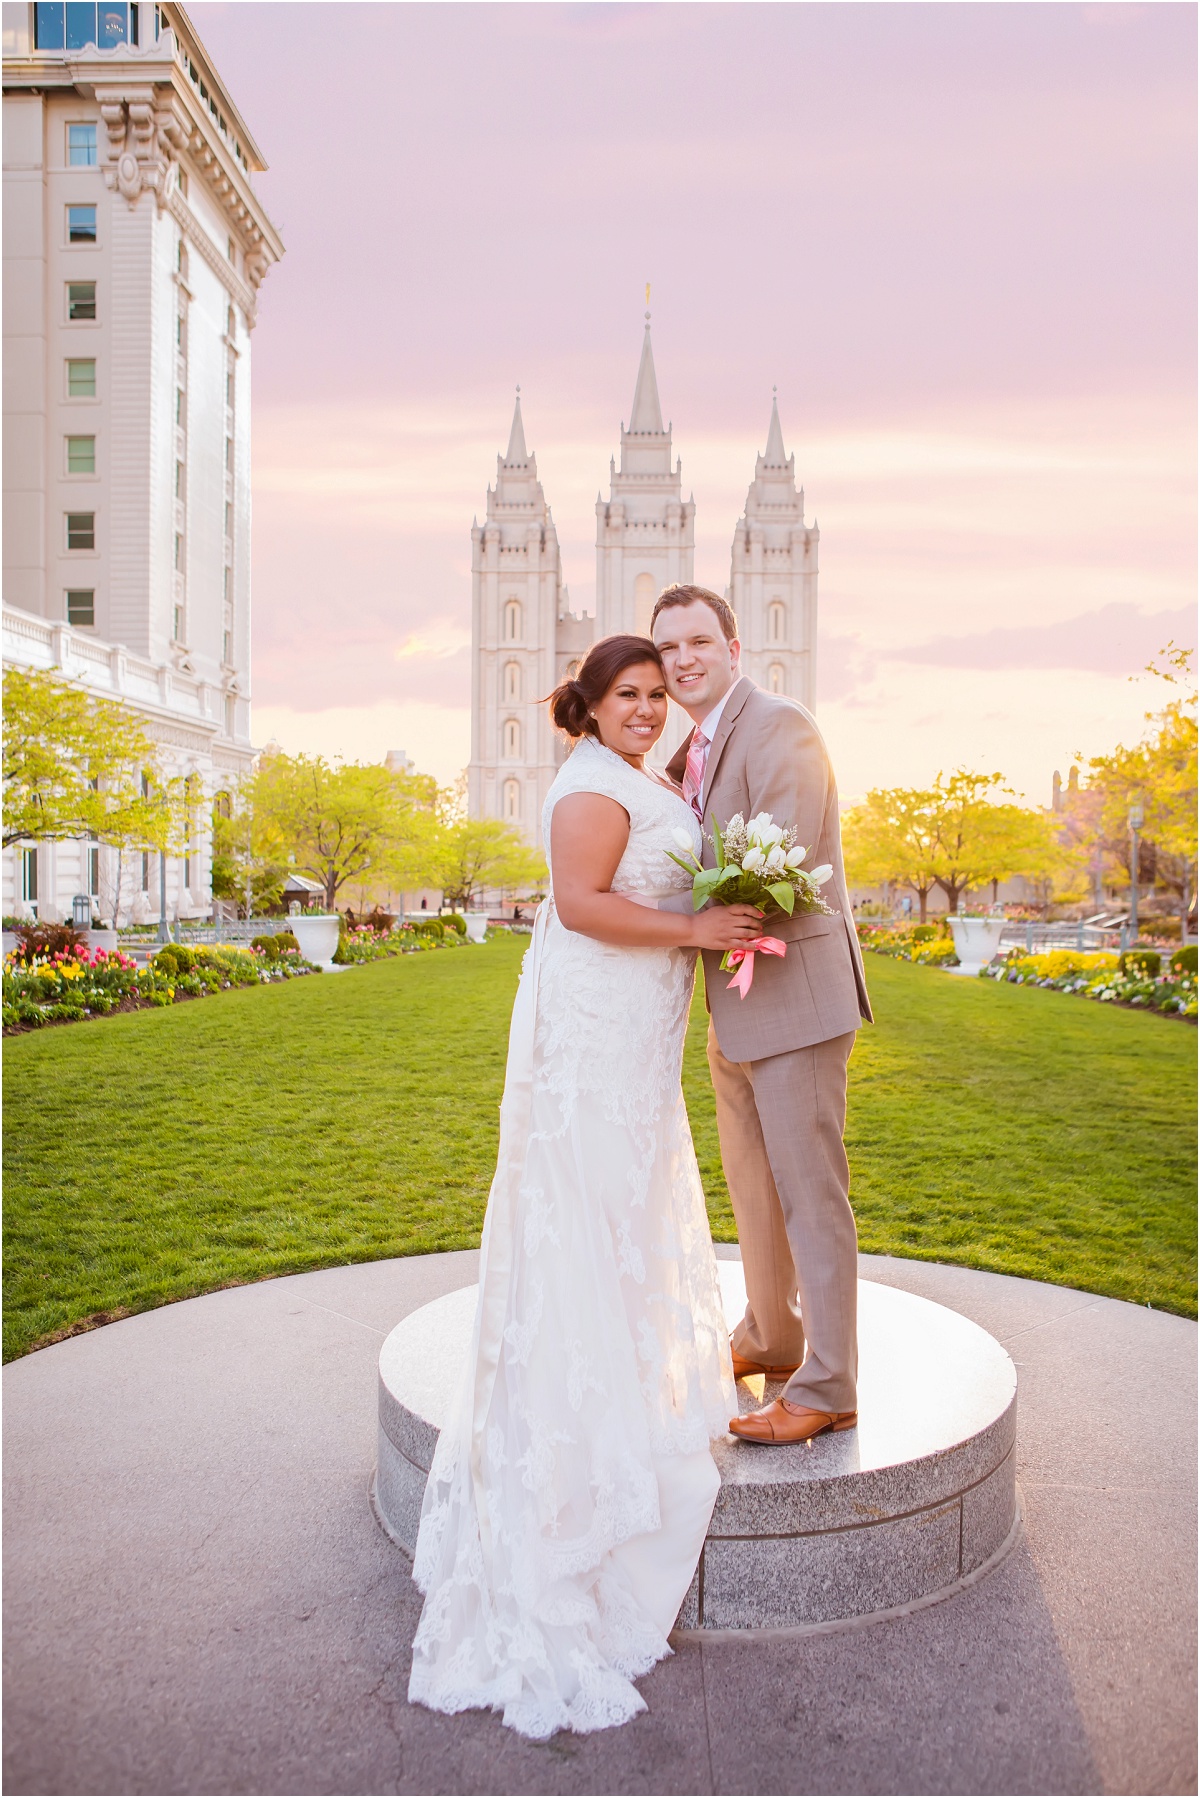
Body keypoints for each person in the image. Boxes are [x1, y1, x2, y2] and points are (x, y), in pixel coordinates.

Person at [408, 634, 762, 1740]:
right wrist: (696, 926)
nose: (649, 708)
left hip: (636, 1036)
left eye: (659, 694)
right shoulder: (592, 787)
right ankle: (569, 1469)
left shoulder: (641, 778)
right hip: (599, 1033)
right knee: (585, 1221)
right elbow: (578, 904)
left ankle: (616, 1374)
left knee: (617, 1216)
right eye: (630, 694)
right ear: (593, 703)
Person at [651, 585, 873, 1446]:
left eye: (699, 642)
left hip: (798, 1007)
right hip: (736, 1008)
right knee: (753, 1185)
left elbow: (785, 860)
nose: (683, 660)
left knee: (811, 1193)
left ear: (733, 649)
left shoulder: (781, 724)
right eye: (668, 650)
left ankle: (827, 1384)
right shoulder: (693, 749)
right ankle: (772, 1333)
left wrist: (657, 906)